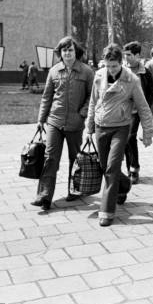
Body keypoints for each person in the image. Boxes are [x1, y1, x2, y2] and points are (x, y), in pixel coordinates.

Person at [85, 44, 153, 227]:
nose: (111, 69)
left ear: (121, 62)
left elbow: (144, 107)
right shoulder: (99, 75)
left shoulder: (131, 79)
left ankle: (107, 210)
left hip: (120, 128)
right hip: (101, 126)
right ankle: (123, 185)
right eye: (108, 65)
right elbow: (93, 101)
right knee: (104, 166)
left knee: (112, 166)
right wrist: (89, 127)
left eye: (114, 66)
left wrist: (147, 132)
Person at [31, 37, 94, 210]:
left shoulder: (86, 72)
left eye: (70, 50)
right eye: (64, 50)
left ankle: (74, 190)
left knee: (75, 159)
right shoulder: (54, 71)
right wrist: (40, 120)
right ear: (60, 53)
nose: (67, 53)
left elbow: (92, 96)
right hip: (54, 122)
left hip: (75, 124)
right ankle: (44, 196)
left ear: (76, 52)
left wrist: (82, 114)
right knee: (50, 158)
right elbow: (47, 97)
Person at [123, 41, 153, 183]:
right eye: (125, 55)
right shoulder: (122, 70)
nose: (126, 58)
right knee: (124, 139)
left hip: (136, 111)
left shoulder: (145, 72)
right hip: (122, 111)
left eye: (129, 55)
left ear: (137, 55)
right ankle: (129, 168)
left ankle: (134, 168)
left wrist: (146, 107)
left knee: (130, 137)